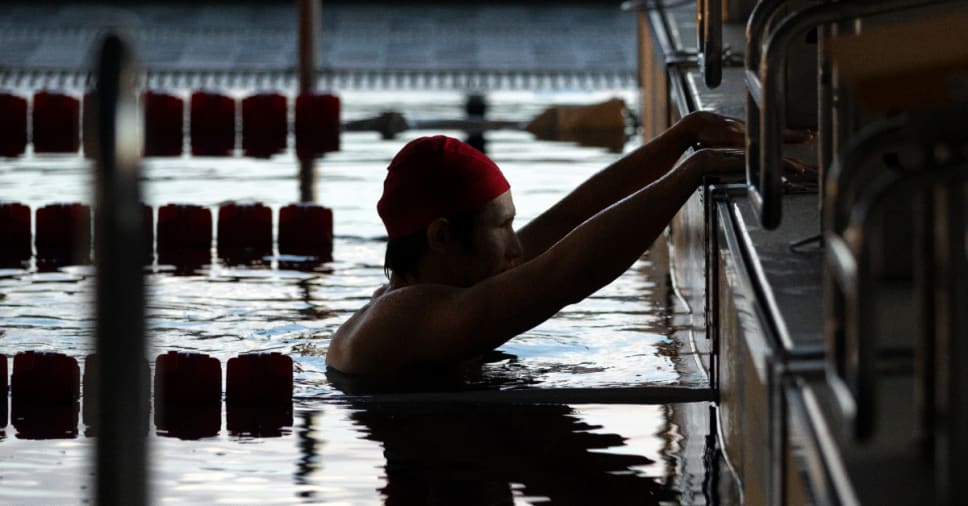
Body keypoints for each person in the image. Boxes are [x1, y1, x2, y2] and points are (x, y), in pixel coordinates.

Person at [326, 111, 806, 389]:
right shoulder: (402, 318)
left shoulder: (447, 284)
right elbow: (565, 274)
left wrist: (683, 137)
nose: (517, 245)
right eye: (502, 226)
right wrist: (691, 173)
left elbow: (563, 226)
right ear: (442, 237)